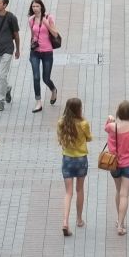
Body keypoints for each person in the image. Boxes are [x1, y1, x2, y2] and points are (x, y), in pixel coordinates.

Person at [104, 100, 129, 236]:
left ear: (119, 113)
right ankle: (121, 224)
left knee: (118, 190)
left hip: (114, 164)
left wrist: (109, 119)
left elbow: (106, 128)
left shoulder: (112, 127)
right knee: (124, 194)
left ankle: (118, 218)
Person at [58, 96, 91, 236]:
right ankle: (78, 219)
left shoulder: (61, 123)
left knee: (68, 192)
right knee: (80, 190)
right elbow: (89, 138)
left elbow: (60, 140)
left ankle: (65, 221)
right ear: (79, 109)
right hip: (81, 159)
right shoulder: (83, 123)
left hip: (67, 159)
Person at [28, 0, 59, 112]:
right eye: (33, 6)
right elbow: (33, 34)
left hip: (47, 52)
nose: (35, 8)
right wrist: (32, 43)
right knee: (36, 77)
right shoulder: (31, 19)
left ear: (41, 7)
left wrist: (46, 24)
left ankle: (53, 89)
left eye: (37, 6)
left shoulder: (48, 17)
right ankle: (38, 102)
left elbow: (55, 34)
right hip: (35, 52)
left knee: (46, 78)